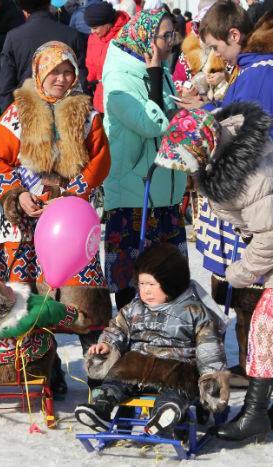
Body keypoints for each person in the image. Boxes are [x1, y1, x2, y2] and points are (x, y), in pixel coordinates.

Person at [155, 103, 273, 442]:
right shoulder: (226, 153)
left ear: (202, 148)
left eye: (184, 162)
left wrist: (240, 272)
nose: (183, 171)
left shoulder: (247, 179)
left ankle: (256, 413)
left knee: (266, 329)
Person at [179, 1, 273, 385]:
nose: (214, 56)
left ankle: (261, 374)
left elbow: (258, 133)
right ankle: (269, 378)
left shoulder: (262, 71)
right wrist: (214, 108)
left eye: (215, 46)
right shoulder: (268, 64)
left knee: (265, 295)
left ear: (235, 35)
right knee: (272, 295)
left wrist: (211, 123)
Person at [0, 42, 112, 392]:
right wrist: (18, 194)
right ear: (39, 72)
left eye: (68, 71)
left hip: (69, 220)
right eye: (54, 71)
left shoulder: (87, 116)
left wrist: (72, 196)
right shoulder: (15, 115)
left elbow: (99, 160)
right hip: (23, 221)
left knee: (82, 296)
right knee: (29, 299)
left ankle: (98, 377)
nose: (62, 78)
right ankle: (47, 371)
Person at [74, 244, 229, 433]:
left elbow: (209, 348)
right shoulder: (134, 308)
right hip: (136, 365)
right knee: (114, 382)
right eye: (141, 284)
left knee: (178, 388)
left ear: (171, 282)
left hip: (176, 366)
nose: (145, 291)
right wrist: (107, 344)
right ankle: (102, 409)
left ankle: (166, 413)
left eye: (152, 285)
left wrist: (211, 378)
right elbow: (118, 328)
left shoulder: (194, 311)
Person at [101, 9, 188, 311]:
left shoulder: (157, 69)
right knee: (134, 282)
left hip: (162, 189)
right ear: (145, 39)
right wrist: (154, 76)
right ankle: (132, 348)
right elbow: (152, 124)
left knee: (168, 281)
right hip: (134, 196)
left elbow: (167, 118)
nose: (171, 43)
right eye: (165, 36)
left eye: (172, 35)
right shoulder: (119, 79)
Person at [0, 0, 86, 113]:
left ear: (24, 10)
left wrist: (8, 116)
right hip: (64, 112)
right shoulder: (72, 35)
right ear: (49, 4)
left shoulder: (14, 37)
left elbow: (6, 85)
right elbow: (81, 80)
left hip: (26, 112)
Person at [84, 1, 130, 114]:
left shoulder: (125, 36)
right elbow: (91, 65)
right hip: (99, 98)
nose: (92, 31)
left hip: (122, 98)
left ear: (108, 24)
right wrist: (86, 84)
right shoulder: (93, 38)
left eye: (95, 27)